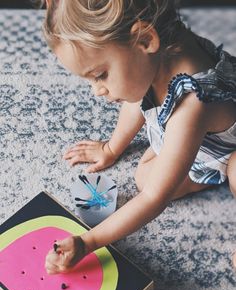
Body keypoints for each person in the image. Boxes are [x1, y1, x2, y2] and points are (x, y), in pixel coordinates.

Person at [41, 0, 236, 274]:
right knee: (143, 177)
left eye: (100, 76)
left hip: (229, 151)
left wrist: (89, 241)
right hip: (203, 145)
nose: (96, 91)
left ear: (145, 39)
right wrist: (110, 148)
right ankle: (205, 171)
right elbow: (136, 99)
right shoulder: (150, 61)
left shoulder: (192, 103)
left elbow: (154, 199)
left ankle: (218, 173)